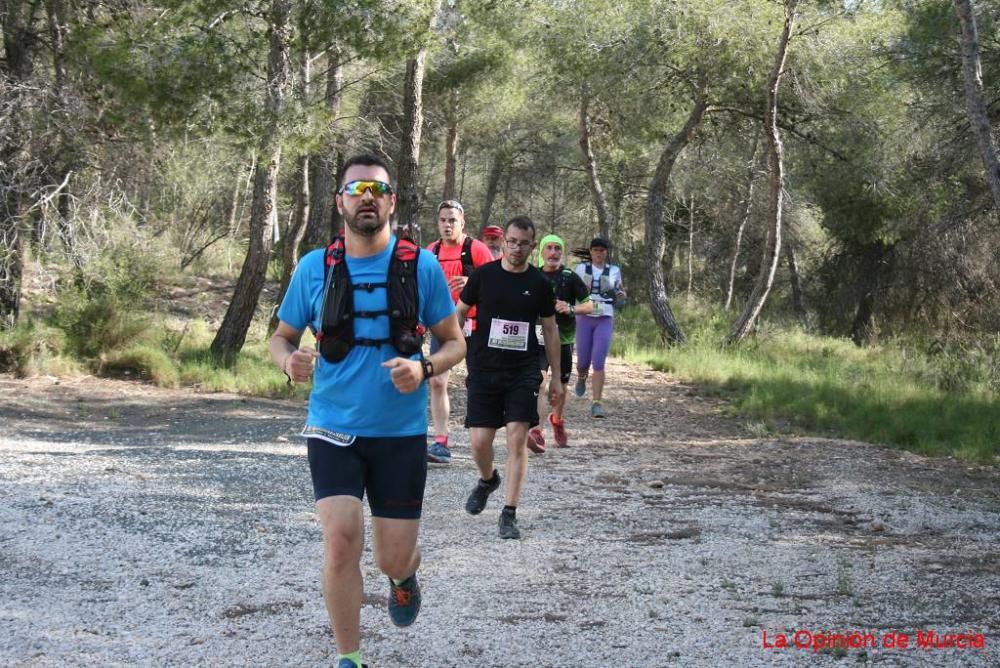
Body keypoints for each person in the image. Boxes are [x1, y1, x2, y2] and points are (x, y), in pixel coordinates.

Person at [270, 154, 465, 668]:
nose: (366, 197)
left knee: (390, 557)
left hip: (399, 431)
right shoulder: (315, 267)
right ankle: (349, 657)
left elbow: (453, 342)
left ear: (391, 202)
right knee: (340, 542)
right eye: (356, 189)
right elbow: (281, 337)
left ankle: (403, 577)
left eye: (377, 190)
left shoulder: (420, 266)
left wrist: (424, 368)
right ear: (341, 202)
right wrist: (289, 361)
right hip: (332, 425)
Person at [456, 216, 563, 539]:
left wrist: (556, 377)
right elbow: (459, 312)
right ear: (504, 242)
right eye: (512, 241)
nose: (517, 248)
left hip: (523, 370)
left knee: (517, 437)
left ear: (533, 246)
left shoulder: (540, 284)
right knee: (479, 442)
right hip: (484, 368)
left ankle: (509, 513)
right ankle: (488, 479)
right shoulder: (483, 277)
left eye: (523, 243)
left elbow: (550, 329)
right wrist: (455, 344)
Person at [425, 199, 496, 464]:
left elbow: (497, 283)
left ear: (462, 222)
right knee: (437, 380)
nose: (447, 225)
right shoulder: (430, 252)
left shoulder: (476, 249)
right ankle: (441, 441)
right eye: (443, 220)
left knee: (478, 382)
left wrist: (472, 282)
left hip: (475, 325)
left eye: (452, 220)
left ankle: (482, 436)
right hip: (442, 326)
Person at [527, 234, 593, 453]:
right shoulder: (533, 275)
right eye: (549, 248)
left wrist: (571, 308)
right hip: (537, 338)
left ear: (561, 252)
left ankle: (557, 419)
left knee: (560, 389)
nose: (553, 252)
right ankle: (537, 429)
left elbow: (589, 305)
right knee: (539, 381)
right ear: (542, 252)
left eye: (557, 248)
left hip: (563, 338)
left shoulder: (569, 277)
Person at [574, 237, 627, 419]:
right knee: (582, 362)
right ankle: (581, 377)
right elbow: (572, 291)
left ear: (607, 252)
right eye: (596, 250)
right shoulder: (581, 269)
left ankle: (597, 403)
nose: (599, 253)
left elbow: (620, 295)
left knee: (598, 361)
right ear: (590, 252)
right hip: (584, 317)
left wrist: (621, 296)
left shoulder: (614, 271)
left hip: (605, 316)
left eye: (602, 250)